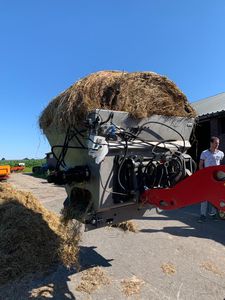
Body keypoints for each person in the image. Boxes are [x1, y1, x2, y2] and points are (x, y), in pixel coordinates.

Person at [198, 136, 224, 223]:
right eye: (216, 143)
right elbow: (201, 164)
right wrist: (203, 175)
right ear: (211, 143)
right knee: (204, 197)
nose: (217, 145)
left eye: (218, 143)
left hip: (217, 179)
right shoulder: (204, 153)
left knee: (215, 196)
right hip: (207, 178)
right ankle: (202, 215)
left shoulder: (221, 153)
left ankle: (213, 214)